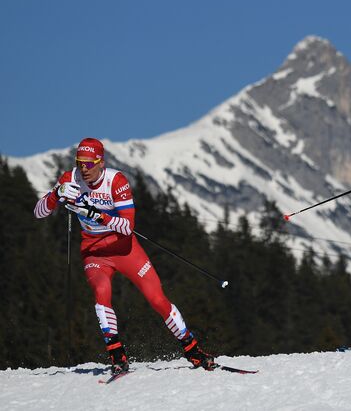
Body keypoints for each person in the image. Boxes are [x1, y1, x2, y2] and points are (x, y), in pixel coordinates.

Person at [34, 137, 216, 374]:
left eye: (89, 164)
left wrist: (96, 214)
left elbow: (127, 227)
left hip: (125, 248)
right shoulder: (70, 179)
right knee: (101, 292)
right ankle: (117, 354)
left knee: (157, 299)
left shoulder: (116, 181)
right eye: (79, 163)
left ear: (101, 162)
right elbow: (38, 213)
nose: (84, 169)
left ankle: (192, 350)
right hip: (95, 252)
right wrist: (56, 194)